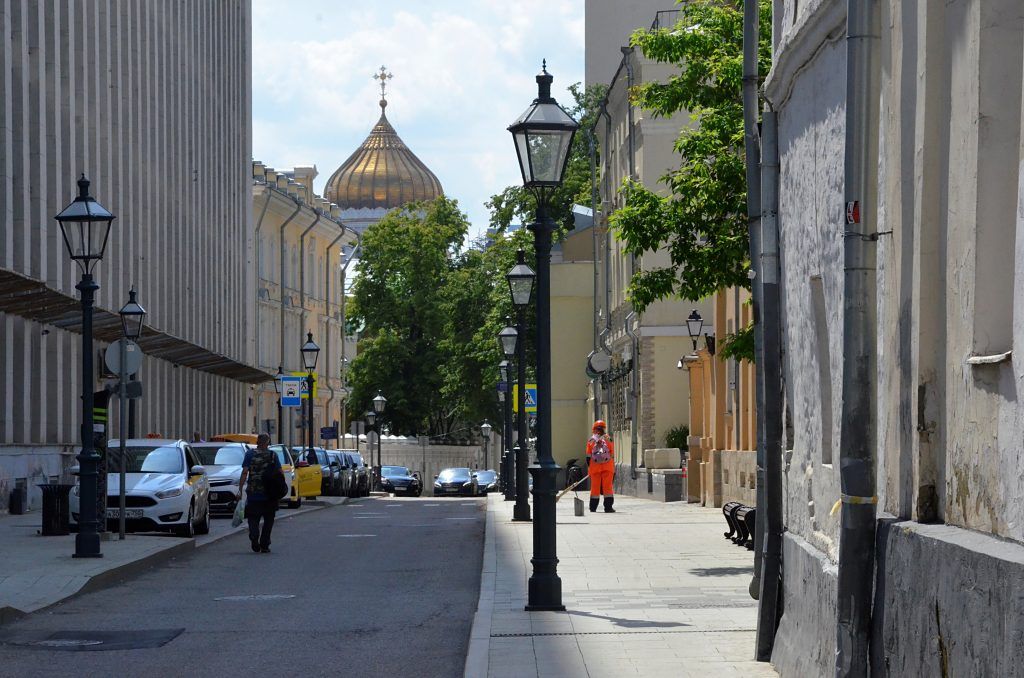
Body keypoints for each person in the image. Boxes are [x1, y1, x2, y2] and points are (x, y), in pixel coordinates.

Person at [236, 433, 284, 553]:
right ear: (268, 442)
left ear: (257, 442)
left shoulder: (250, 454)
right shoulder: (273, 455)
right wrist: (281, 489)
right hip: (270, 494)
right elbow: (280, 473)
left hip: (253, 492)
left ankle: (254, 535)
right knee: (269, 520)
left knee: (253, 517)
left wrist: (240, 489)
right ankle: (265, 544)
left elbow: (244, 472)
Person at [586, 420, 615, 513]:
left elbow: (588, 456)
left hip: (595, 468)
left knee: (595, 488)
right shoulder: (608, 439)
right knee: (608, 488)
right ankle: (608, 507)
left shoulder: (591, 441)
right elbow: (611, 453)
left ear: (594, 429)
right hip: (607, 467)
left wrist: (590, 467)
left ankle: (593, 507)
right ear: (604, 429)